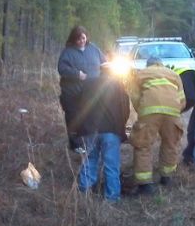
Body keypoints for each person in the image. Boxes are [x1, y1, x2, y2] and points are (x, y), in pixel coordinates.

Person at [127, 56, 185, 195]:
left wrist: (142, 112)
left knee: (143, 145)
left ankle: (145, 185)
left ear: (148, 65)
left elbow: (135, 97)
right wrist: (175, 112)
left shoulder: (140, 74)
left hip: (149, 111)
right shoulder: (174, 74)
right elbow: (182, 99)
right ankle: (167, 177)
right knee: (170, 144)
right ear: (161, 64)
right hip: (172, 112)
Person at [76, 63, 130, 202]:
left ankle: (84, 192)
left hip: (90, 130)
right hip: (111, 131)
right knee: (111, 165)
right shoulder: (119, 86)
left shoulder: (88, 84)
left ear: (101, 71)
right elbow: (125, 109)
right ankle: (111, 197)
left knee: (89, 160)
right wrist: (121, 126)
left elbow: (80, 107)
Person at [57, 26, 106, 152]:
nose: (81, 41)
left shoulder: (94, 49)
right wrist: (77, 74)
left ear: (87, 37)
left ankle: (91, 143)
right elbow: (62, 69)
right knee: (74, 118)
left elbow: (104, 63)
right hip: (72, 93)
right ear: (73, 40)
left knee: (91, 117)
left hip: (91, 92)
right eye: (78, 39)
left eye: (83, 38)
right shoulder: (67, 52)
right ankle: (76, 145)